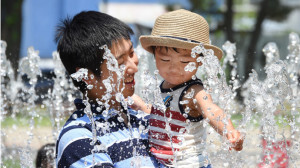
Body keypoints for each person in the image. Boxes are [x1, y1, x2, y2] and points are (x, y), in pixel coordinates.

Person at [139, 9, 244, 167]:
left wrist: (228, 131)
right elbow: (157, 112)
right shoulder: (162, 87)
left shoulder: (193, 91)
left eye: (184, 62)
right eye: (165, 60)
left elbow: (212, 110)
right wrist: (137, 103)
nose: (174, 69)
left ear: (200, 61)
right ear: (154, 56)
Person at [55, 11, 159, 167]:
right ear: (86, 75)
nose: (133, 67)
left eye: (131, 53)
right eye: (120, 63)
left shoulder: (142, 117)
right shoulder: (80, 139)